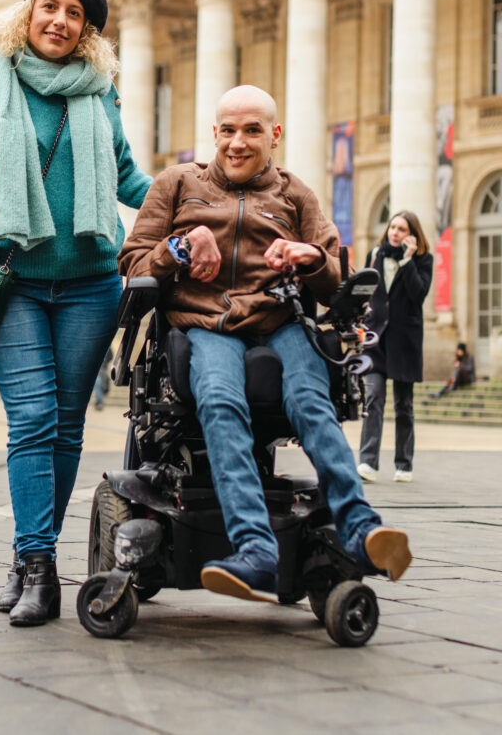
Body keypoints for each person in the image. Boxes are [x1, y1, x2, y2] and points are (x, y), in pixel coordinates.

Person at [118, 85, 411, 601]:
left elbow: (334, 278)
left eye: (252, 130)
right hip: (205, 322)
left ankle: (361, 528)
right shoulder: (176, 184)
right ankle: (255, 549)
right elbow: (134, 264)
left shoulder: (296, 194)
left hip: (280, 320)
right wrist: (181, 246)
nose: (237, 142)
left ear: (274, 135)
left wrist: (310, 258)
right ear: (214, 133)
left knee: (312, 402)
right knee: (222, 400)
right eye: (228, 130)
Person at [0, 0, 151, 627]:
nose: (60, 22)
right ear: (29, 10)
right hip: (17, 285)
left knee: (65, 429)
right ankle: (41, 570)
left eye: (76, 16)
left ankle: (28, 552)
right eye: (51, 7)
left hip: (93, 280)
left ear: (87, 32)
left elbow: (127, 179)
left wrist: (199, 207)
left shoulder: (99, 94)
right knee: (32, 421)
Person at [357, 210, 433, 483]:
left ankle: (404, 464)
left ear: (412, 235)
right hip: (376, 339)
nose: (395, 233)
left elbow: (418, 294)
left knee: (404, 405)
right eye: (392, 227)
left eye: (401, 229)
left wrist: (408, 261)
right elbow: (366, 293)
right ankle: (368, 462)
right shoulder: (375, 254)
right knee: (373, 397)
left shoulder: (423, 260)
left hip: (405, 342)